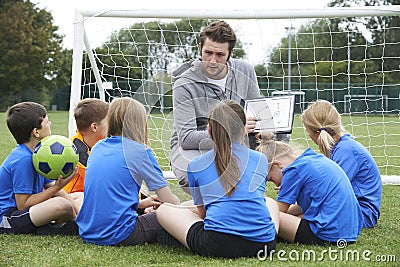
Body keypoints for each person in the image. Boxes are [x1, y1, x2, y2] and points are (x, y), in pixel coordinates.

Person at [157, 101, 279, 258]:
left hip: (218, 244)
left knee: (164, 209)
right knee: (269, 202)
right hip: (264, 244)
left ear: (209, 130)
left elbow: (203, 214)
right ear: (243, 130)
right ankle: (264, 230)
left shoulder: (196, 165)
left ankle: (174, 234)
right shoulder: (261, 159)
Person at [170, 20, 263, 193]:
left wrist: (266, 128)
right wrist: (231, 131)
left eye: (219, 55)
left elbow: (259, 111)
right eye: (208, 53)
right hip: (196, 145)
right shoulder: (183, 83)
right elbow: (187, 138)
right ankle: (208, 215)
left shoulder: (246, 71)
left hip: (237, 141)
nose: (213, 61)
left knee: (273, 163)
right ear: (200, 48)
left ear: (230, 53)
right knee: (197, 174)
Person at [76, 97, 180, 246]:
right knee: (178, 213)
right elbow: (170, 201)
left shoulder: (98, 147)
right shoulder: (139, 152)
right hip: (121, 234)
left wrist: (141, 204)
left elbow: (109, 195)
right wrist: (173, 207)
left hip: (87, 231)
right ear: (140, 123)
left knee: (158, 212)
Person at [256, 132, 363, 245]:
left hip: (328, 235)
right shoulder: (312, 159)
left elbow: (277, 211)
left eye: (271, 179)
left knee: (267, 216)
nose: (276, 184)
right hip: (348, 232)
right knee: (291, 215)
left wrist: (260, 193)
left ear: (276, 164)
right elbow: (302, 207)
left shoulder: (293, 170)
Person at [0, 102, 80, 234]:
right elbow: (22, 205)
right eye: (47, 122)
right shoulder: (23, 160)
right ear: (36, 132)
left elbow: (51, 188)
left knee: (78, 196)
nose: (50, 125)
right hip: (9, 217)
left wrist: (78, 211)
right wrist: (58, 187)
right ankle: (66, 227)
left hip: (28, 211)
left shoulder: (40, 154)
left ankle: (69, 222)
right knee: (62, 204)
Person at [301, 100, 382, 228]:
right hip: (349, 208)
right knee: (290, 215)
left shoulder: (346, 150)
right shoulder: (340, 147)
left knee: (289, 219)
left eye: (308, 131)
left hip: (361, 214)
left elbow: (328, 193)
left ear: (317, 132)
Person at [63, 98, 108, 200]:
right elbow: (98, 180)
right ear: (94, 127)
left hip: (89, 195)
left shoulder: (98, 144)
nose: (112, 125)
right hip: (72, 199)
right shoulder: (75, 149)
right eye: (109, 122)